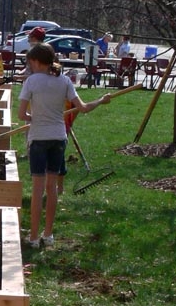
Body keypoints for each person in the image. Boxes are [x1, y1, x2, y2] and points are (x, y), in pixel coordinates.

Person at [18, 42, 110, 248]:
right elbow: (84, 108)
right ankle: (48, 235)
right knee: (51, 188)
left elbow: (21, 114)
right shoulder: (65, 81)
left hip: (38, 138)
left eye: (30, 62)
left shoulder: (31, 82)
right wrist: (102, 100)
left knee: (37, 188)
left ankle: (33, 238)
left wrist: (34, 117)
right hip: (59, 138)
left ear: (35, 61)